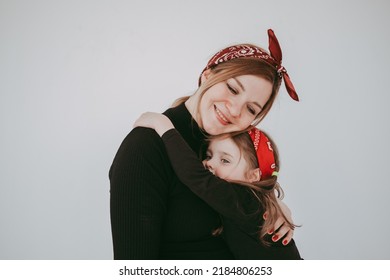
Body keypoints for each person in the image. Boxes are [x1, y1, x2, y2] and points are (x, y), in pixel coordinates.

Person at [109, 29, 299, 259]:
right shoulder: (146, 147)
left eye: (251, 109)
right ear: (207, 76)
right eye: (232, 88)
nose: (235, 110)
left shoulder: (232, 148)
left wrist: (269, 204)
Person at [133, 112, 302, 259]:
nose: (209, 164)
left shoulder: (247, 201)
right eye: (209, 155)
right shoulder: (246, 203)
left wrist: (163, 126)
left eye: (225, 160)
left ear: (253, 176)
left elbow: (196, 177)